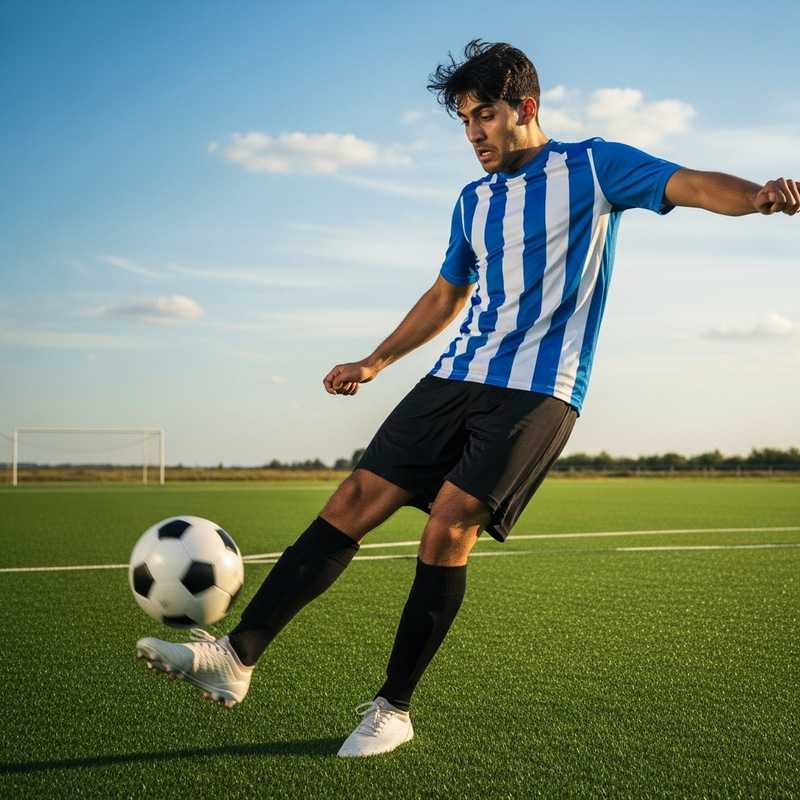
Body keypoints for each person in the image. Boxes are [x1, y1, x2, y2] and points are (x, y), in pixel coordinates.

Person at [136, 40, 799, 757]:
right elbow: (446, 294)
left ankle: (393, 708)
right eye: (463, 121)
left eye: (485, 115)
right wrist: (375, 360)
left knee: (447, 525)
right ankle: (235, 660)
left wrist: (757, 197)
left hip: (539, 389)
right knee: (354, 499)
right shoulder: (472, 201)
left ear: (526, 108)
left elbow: (689, 182)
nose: (474, 133)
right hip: (458, 374)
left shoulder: (593, 167)